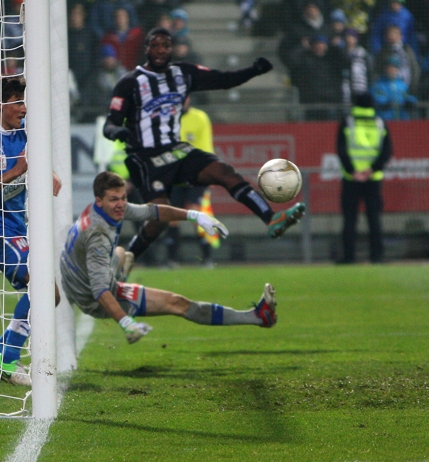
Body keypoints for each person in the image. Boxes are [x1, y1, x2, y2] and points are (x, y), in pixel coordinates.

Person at [103, 27, 306, 276]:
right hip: (145, 157)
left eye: (165, 46)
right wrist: (118, 132)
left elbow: (223, 79)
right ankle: (129, 257)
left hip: (176, 150)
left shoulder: (184, 73)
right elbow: (110, 122)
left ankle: (271, 218)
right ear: (147, 49)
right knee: (161, 216)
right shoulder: (130, 82)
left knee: (224, 171)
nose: (160, 51)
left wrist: (253, 71)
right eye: (155, 46)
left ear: (171, 49)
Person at [60, 171, 278, 345]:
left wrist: (195, 216)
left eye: (123, 198)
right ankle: (257, 317)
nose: (120, 204)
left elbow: (153, 212)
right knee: (177, 303)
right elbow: (100, 291)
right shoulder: (98, 235)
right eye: (114, 199)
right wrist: (126, 323)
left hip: (76, 277)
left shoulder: (105, 210)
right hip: (94, 298)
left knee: (121, 253)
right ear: (99, 201)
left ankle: (121, 273)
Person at [0, 76, 62, 386]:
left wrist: (50, 174)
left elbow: (36, 164)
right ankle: (5, 357)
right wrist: (15, 171)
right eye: (19, 102)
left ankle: (0, 353)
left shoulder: (23, 133)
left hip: (17, 227)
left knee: (52, 294)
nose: (25, 108)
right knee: (39, 284)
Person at [337, 92, 392, 264]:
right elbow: (386, 151)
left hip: (351, 178)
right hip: (373, 178)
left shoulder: (348, 122)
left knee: (350, 219)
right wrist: (371, 170)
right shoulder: (380, 123)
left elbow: (341, 149)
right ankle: (377, 256)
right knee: (374, 219)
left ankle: (348, 257)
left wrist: (353, 171)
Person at [165, 95, 217, 267]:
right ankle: (172, 260)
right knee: (172, 216)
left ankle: (207, 258)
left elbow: (205, 149)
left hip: (195, 176)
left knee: (196, 213)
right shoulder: (167, 120)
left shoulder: (200, 118)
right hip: (174, 177)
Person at [371, 56, 418, 120]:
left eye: (394, 67)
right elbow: (377, 97)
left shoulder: (402, 85)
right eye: (389, 67)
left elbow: (407, 96)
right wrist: (384, 102)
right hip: (385, 119)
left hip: (401, 119)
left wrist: (410, 101)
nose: (392, 70)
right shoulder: (379, 84)